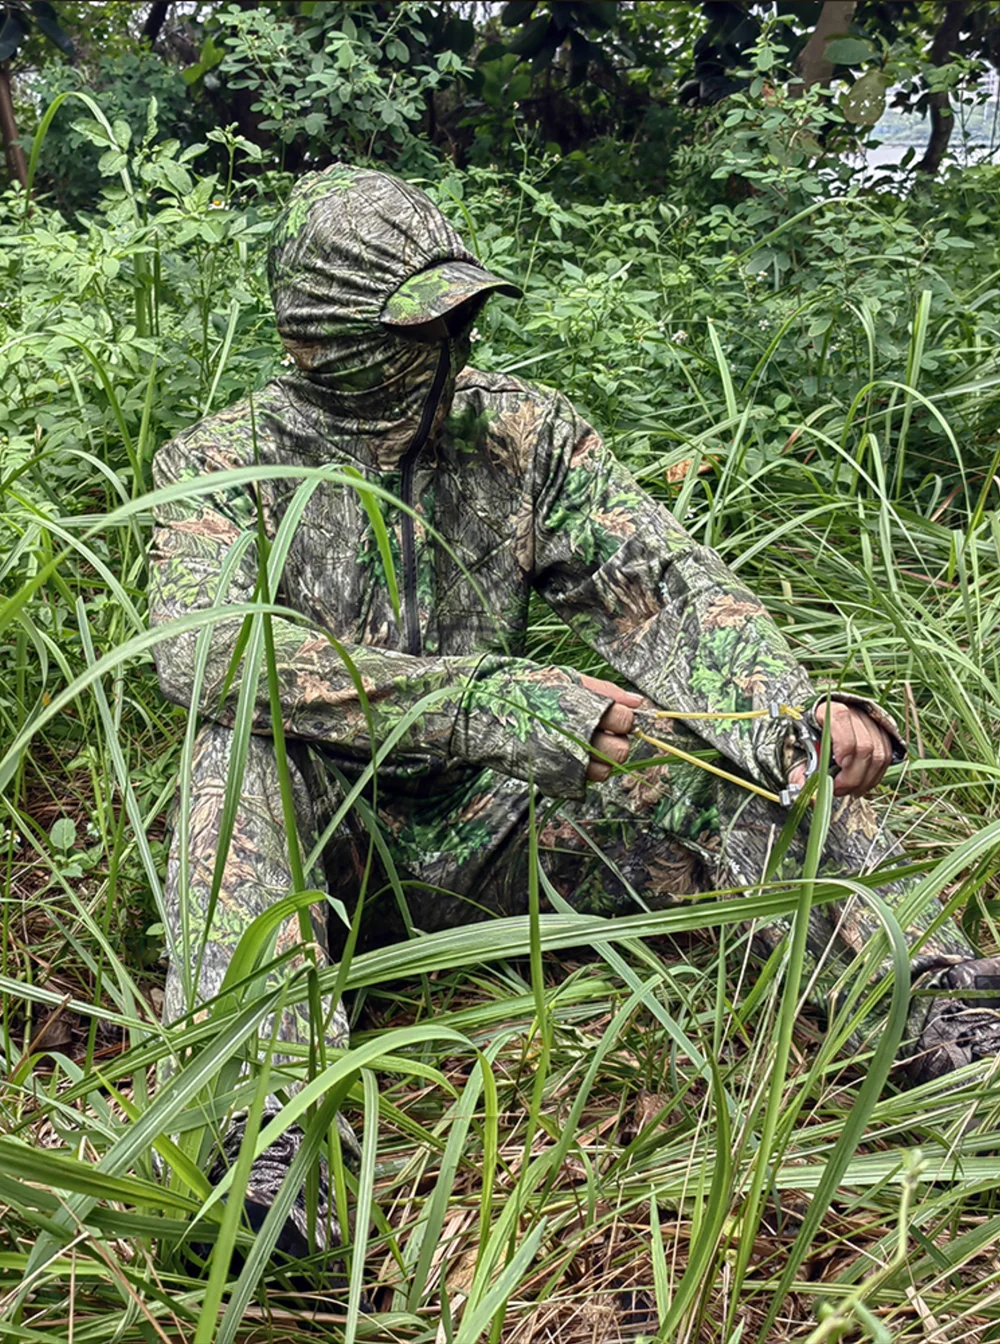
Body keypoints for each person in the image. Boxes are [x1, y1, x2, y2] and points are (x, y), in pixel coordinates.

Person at [148, 164, 1000, 1257]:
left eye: (455, 318)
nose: (446, 348)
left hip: (498, 820)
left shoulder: (521, 434)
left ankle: (924, 999)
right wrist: (487, 701)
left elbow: (668, 588)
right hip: (323, 839)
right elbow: (205, 651)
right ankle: (260, 1139)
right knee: (231, 759)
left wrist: (788, 718)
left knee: (734, 769)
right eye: (414, 328)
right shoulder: (222, 464)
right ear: (320, 336)